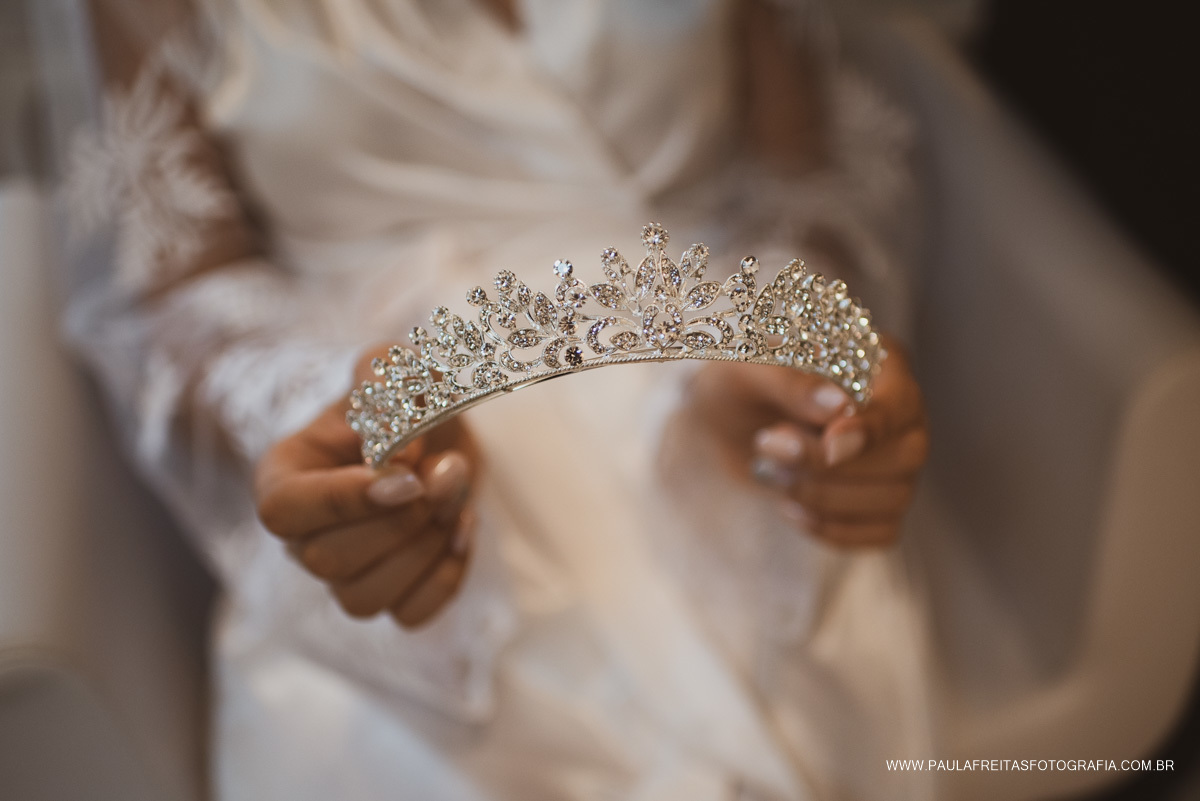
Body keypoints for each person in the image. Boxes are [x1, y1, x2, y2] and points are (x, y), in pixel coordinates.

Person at [44, 0, 932, 797]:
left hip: (725, 432)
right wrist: (328, 408)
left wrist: (788, 343)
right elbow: (181, 291)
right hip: (392, 482)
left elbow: (802, 188)